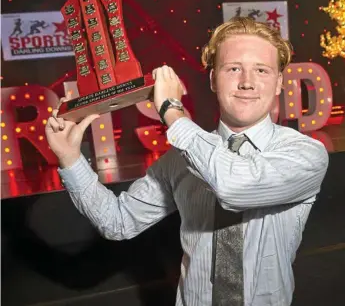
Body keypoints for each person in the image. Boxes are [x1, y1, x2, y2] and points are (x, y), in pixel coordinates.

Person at [46, 17, 329, 306]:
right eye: (233, 69)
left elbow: (234, 186)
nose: (247, 82)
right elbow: (118, 222)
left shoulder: (304, 154)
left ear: (279, 83)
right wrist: (71, 159)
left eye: (261, 70)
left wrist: (171, 110)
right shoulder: (180, 160)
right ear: (212, 79)